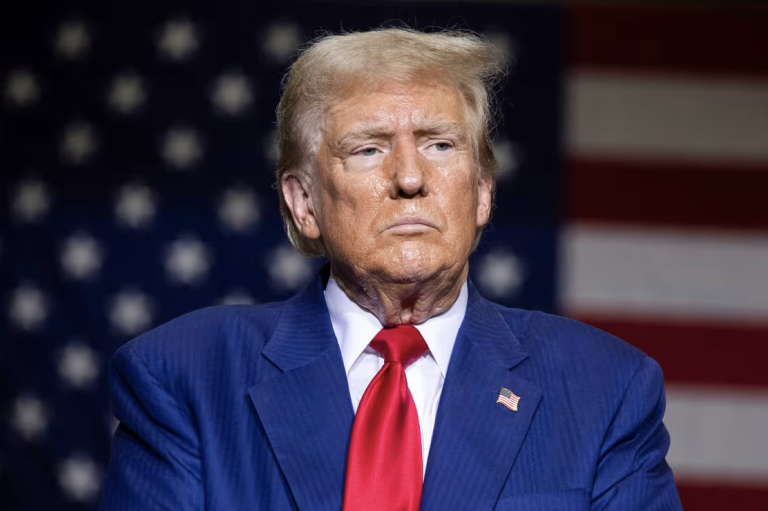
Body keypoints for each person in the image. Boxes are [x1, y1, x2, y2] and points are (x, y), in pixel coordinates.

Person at [100, 28, 682, 510]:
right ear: (305, 204)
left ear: (481, 194)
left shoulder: (604, 389)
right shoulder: (187, 377)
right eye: (369, 149)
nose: (409, 178)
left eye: (439, 145)